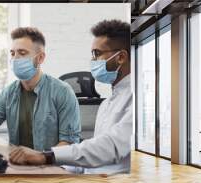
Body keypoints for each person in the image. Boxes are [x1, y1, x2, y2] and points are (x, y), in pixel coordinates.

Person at [9, 20, 133, 174]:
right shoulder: (106, 104)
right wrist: (58, 167)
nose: (93, 61)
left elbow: (111, 147)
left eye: (97, 53)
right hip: (90, 182)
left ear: (120, 57)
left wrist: (46, 156)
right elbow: (90, 159)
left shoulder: (137, 99)